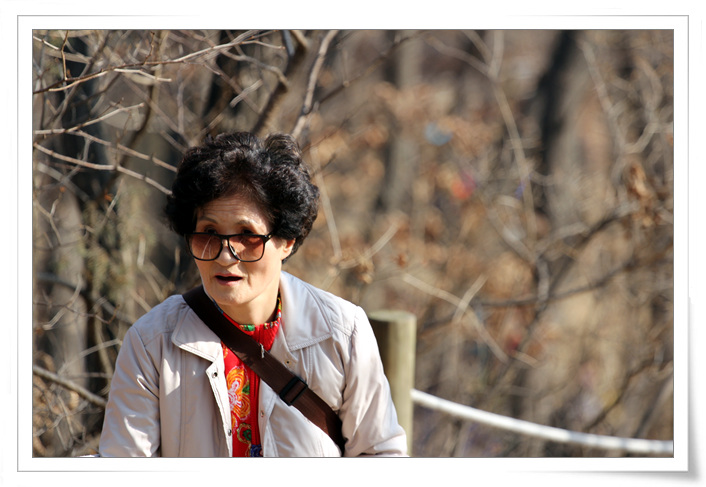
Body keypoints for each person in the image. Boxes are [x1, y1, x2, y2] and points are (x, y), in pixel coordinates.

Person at [98, 132, 407, 457]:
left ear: (287, 241)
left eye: (246, 234)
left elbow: (380, 457)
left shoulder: (343, 332)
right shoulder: (152, 342)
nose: (225, 256)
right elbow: (126, 468)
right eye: (209, 232)